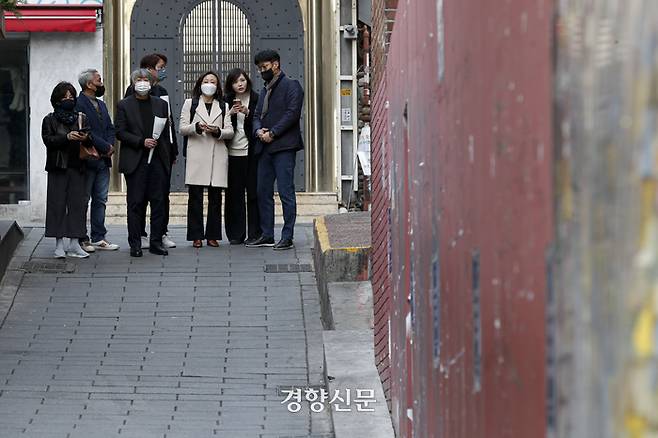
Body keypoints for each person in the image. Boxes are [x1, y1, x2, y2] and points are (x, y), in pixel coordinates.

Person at [246, 50, 304, 250]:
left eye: (265, 67)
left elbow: (292, 114)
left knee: (286, 192)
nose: (262, 71)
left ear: (276, 64)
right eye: (260, 68)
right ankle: (267, 234)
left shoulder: (292, 86)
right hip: (264, 147)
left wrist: (273, 132)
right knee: (263, 192)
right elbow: (256, 115)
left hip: (284, 146)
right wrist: (258, 130)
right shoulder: (264, 90)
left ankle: (287, 236)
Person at [116, 69, 174, 257]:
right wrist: (141, 141)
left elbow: (167, 133)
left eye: (145, 79)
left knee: (158, 202)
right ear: (133, 83)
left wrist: (169, 155)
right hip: (136, 160)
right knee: (135, 203)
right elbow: (120, 132)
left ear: (151, 83)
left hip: (157, 160)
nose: (143, 82)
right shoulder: (124, 105)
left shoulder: (160, 104)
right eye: (139, 79)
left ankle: (156, 242)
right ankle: (135, 243)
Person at [179, 71, 233, 248]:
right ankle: (196, 235)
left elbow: (230, 131)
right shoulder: (190, 103)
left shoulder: (223, 106)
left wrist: (218, 131)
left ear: (218, 86)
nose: (209, 84)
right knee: (195, 197)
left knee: (216, 198)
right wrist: (196, 127)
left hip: (217, 154)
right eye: (206, 81)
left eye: (213, 81)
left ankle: (212, 235)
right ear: (200, 84)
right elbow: (182, 128)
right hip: (197, 155)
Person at [42, 81, 93, 259]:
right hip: (58, 167)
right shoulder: (49, 119)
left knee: (77, 205)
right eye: (64, 97)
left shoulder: (81, 117)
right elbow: (48, 140)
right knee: (57, 205)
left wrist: (85, 138)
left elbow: (89, 140)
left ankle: (75, 243)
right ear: (57, 100)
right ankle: (58, 244)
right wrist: (67, 137)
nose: (68, 99)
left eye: (71, 96)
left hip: (78, 166)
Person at [76, 69, 119, 252]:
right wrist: (104, 146)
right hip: (88, 160)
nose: (101, 82)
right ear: (89, 84)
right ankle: (81, 237)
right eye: (99, 80)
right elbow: (86, 131)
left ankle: (99, 237)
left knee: (100, 199)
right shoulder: (79, 103)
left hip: (103, 160)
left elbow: (110, 127)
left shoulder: (101, 105)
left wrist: (110, 145)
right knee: (83, 199)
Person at [223, 68, 261, 245]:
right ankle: (235, 234)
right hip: (231, 153)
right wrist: (228, 114)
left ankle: (254, 233)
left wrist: (248, 113)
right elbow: (219, 126)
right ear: (231, 85)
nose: (240, 84)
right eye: (236, 81)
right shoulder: (225, 101)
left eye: (243, 80)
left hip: (251, 153)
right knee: (233, 195)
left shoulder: (256, 99)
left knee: (253, 193)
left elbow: (262, 120)